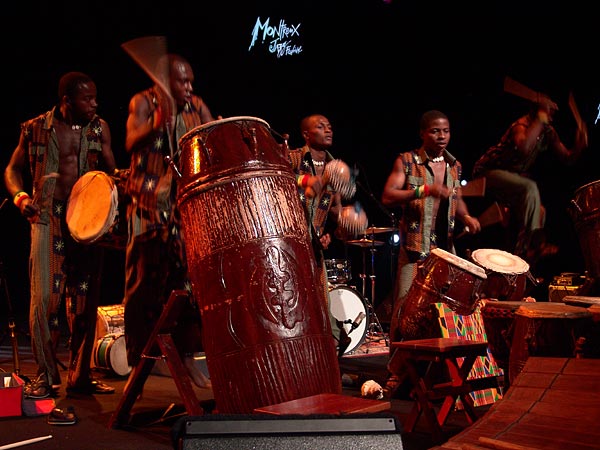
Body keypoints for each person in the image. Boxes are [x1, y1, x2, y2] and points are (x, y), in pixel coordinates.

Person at [4, 71, 117, 397]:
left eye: (96, 97)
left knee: (84, 303)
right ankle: (45, 374)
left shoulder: (99, 127)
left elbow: (110, 173)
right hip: (46, 216)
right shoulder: (35, 127)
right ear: (67, 101)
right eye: (88, 98)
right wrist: (19, 196)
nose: (95, 103)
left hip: (86, 220)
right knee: (44, 301)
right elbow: (12, 169)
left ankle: (80, 376)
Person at [122, 53, 214, 388]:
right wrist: (157, 121)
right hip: (146, 203)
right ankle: (139, 361)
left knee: (189, 285)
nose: (190, 87)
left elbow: (210, 139)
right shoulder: (143, 101)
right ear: (164, 80)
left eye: (191, 80)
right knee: (142, 285)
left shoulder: (196, 106)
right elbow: (131, 141)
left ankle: (187, 357)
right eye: (183, 81)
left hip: (183, 207)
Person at [381, 109, 481, 343]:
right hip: (416, 246)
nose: (442, 136)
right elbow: (387, 195)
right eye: (435, 131)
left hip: (445, 247)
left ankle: (441, 362)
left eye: (446, 131)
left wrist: (466, 217)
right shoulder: (406, 161)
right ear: (423, 133)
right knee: (405, 304)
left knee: (453, 303)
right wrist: (423, 190)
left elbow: (458, 197)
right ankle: (395, 368)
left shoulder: (454, 165)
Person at [472, 93, 588, 264]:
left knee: (539, 211)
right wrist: (540, 118)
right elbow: (524, 148)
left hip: (512, 180)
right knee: (529, 187)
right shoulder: (521, 126)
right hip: (487, 172)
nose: (551, 116)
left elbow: (567, 158)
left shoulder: (548, 131)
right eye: (547, 112)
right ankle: (536, 242)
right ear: (538, 112)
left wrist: (579, 145)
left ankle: (521, 256)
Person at [288, 113, 356, 354]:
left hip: (313, 246)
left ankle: (332, 353)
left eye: (329, 126)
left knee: (321, 302)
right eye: (320, 127)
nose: (328, 130)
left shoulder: (334, 168)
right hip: (287, 243)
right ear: (306, 134)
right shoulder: (293, 157)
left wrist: (341, 227)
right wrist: (305, 179)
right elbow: (274, 178)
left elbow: (335, 210)